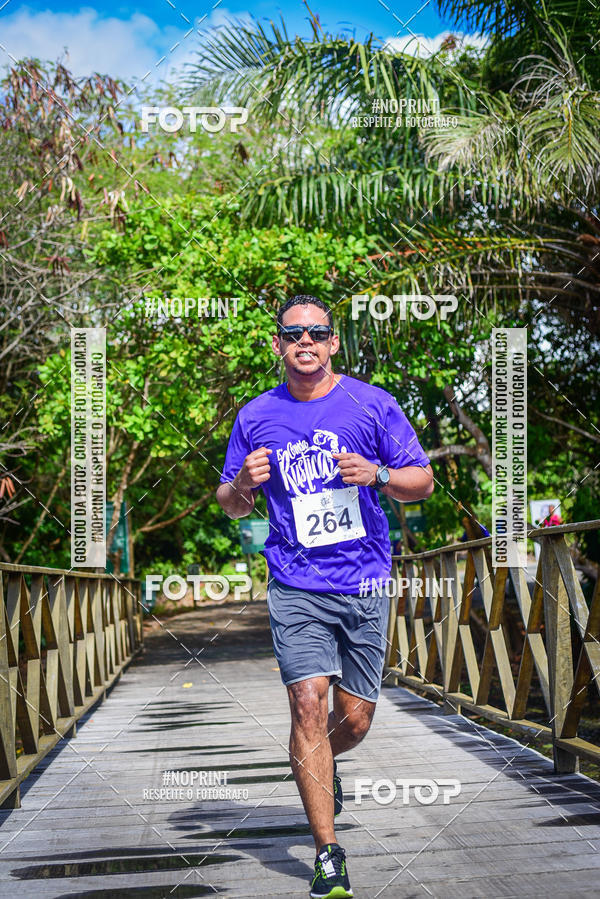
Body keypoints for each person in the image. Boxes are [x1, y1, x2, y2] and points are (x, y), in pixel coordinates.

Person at [216, 295, 433, 898]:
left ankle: (322, 764)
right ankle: (328, 854)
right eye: (293, 334)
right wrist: (241, 484)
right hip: (295, 583)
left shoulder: (372, 403)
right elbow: (230, 504)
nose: (304, 342)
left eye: (317, 333)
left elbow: (422, 482)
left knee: (355, 720)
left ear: (334, 342)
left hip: (364, 581)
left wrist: (380, 475)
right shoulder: (256, 416)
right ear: (280, 345)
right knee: (307, 705)